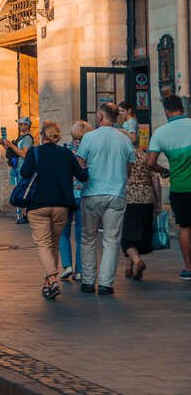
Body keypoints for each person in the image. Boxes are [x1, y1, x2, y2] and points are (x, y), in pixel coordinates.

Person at [19, 121, 88, 300]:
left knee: (42, 243)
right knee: (53, 244)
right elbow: (82, 175)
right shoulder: (66, 153)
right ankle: (47, 284)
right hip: (61, 205)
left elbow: (25, 173)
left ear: (42, 136)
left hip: (38, 205)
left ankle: (53, 279)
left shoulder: (35, 152)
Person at [76, 102, 134, 294]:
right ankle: (105, 283)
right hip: (116, 192)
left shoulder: (89, 138)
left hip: (92, 192)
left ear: (100, 116)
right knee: (111, 239)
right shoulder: (125, 140)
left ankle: (88, 279)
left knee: (88, 237)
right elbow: (129, 168)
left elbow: (80, 164)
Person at [146, 93, 191, 279]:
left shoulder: (160, 133)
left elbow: (149, 163)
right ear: (182, 107)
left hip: (180, 187)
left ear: (165, 111)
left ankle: (189, 268)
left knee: (185, 227)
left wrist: (163, 170)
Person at [59, 120, 92, 281]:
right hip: (84, 194)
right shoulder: (90, 150)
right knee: (81, 234)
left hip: (67, 195)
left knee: (63, 232)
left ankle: (67, 265)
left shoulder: (65, 149)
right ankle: (79, 270)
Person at [121, 143, 159, 282]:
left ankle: (137, 262)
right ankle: (129, 268)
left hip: (130, 199)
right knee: (139, 235)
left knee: (127, 239)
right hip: (147, 199)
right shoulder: (146, 155)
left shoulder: (124, 156)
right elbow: (155, 179)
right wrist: (158, 202)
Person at [1, 116, 36, 224]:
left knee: (24, 190)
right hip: (18, 167)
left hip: (23, 167)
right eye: (19, 124)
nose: (20, 126)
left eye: (21, 124)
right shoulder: (21, 137)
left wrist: (11, 145)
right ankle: (25, 214)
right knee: (21, 190)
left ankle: (27, 214)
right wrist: (5, 145)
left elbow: (24, 154)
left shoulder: (27, 138)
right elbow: (14, 151)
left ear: (27, 125)